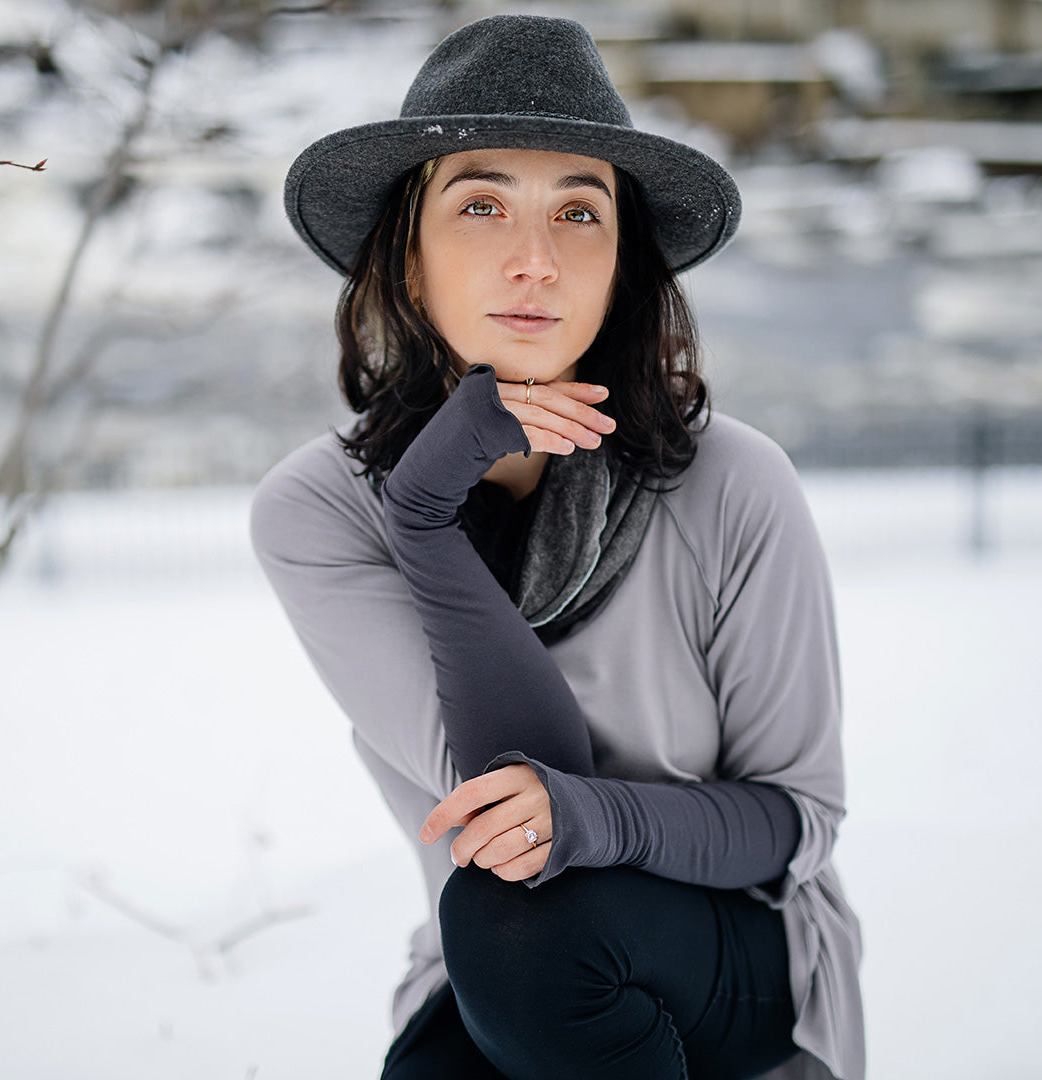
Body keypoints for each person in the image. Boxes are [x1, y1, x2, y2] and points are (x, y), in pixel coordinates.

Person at [252, 13, 864, 1080]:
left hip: (740, 948)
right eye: (480, 205)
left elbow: (790, 822)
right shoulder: (320, 509)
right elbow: (495, 805)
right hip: (493, 962)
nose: (534, 260)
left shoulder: (734, 485)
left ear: (623, 263)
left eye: (580, 212)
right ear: (405, 256)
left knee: (526, 935)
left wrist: (595, 817)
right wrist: (424, 510)